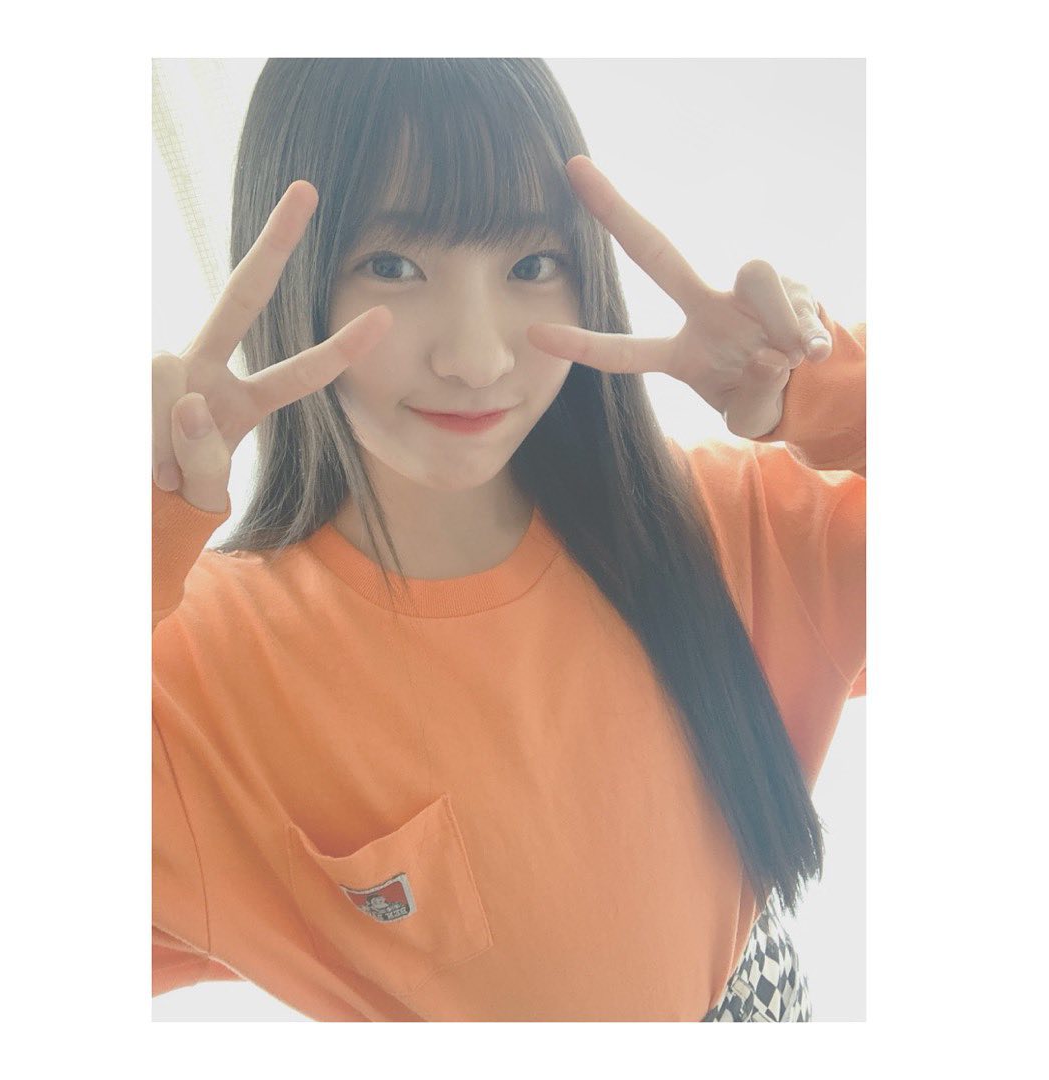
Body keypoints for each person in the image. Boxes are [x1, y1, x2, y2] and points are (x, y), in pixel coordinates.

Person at [152, 58, 865, 1022]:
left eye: (531, 265)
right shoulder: (203, 670)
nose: (477, 357)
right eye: (392, 265)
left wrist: (822, 391)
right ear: (291, 280)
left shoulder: (733, 526)